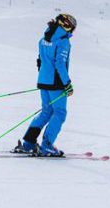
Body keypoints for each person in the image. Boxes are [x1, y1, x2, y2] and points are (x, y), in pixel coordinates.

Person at [15, 13, 77, 156]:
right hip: (57, 83)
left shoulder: (44, 39)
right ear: (66, 25)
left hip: (43, 81)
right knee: (60, 113)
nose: (72, 31)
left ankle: (28, 143)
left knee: (46, 112)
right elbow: (60, 64)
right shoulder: (63, 41)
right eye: (72, 28)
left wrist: (45, 76)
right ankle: (47, 145)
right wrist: (67, 83)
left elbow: (40, 60)